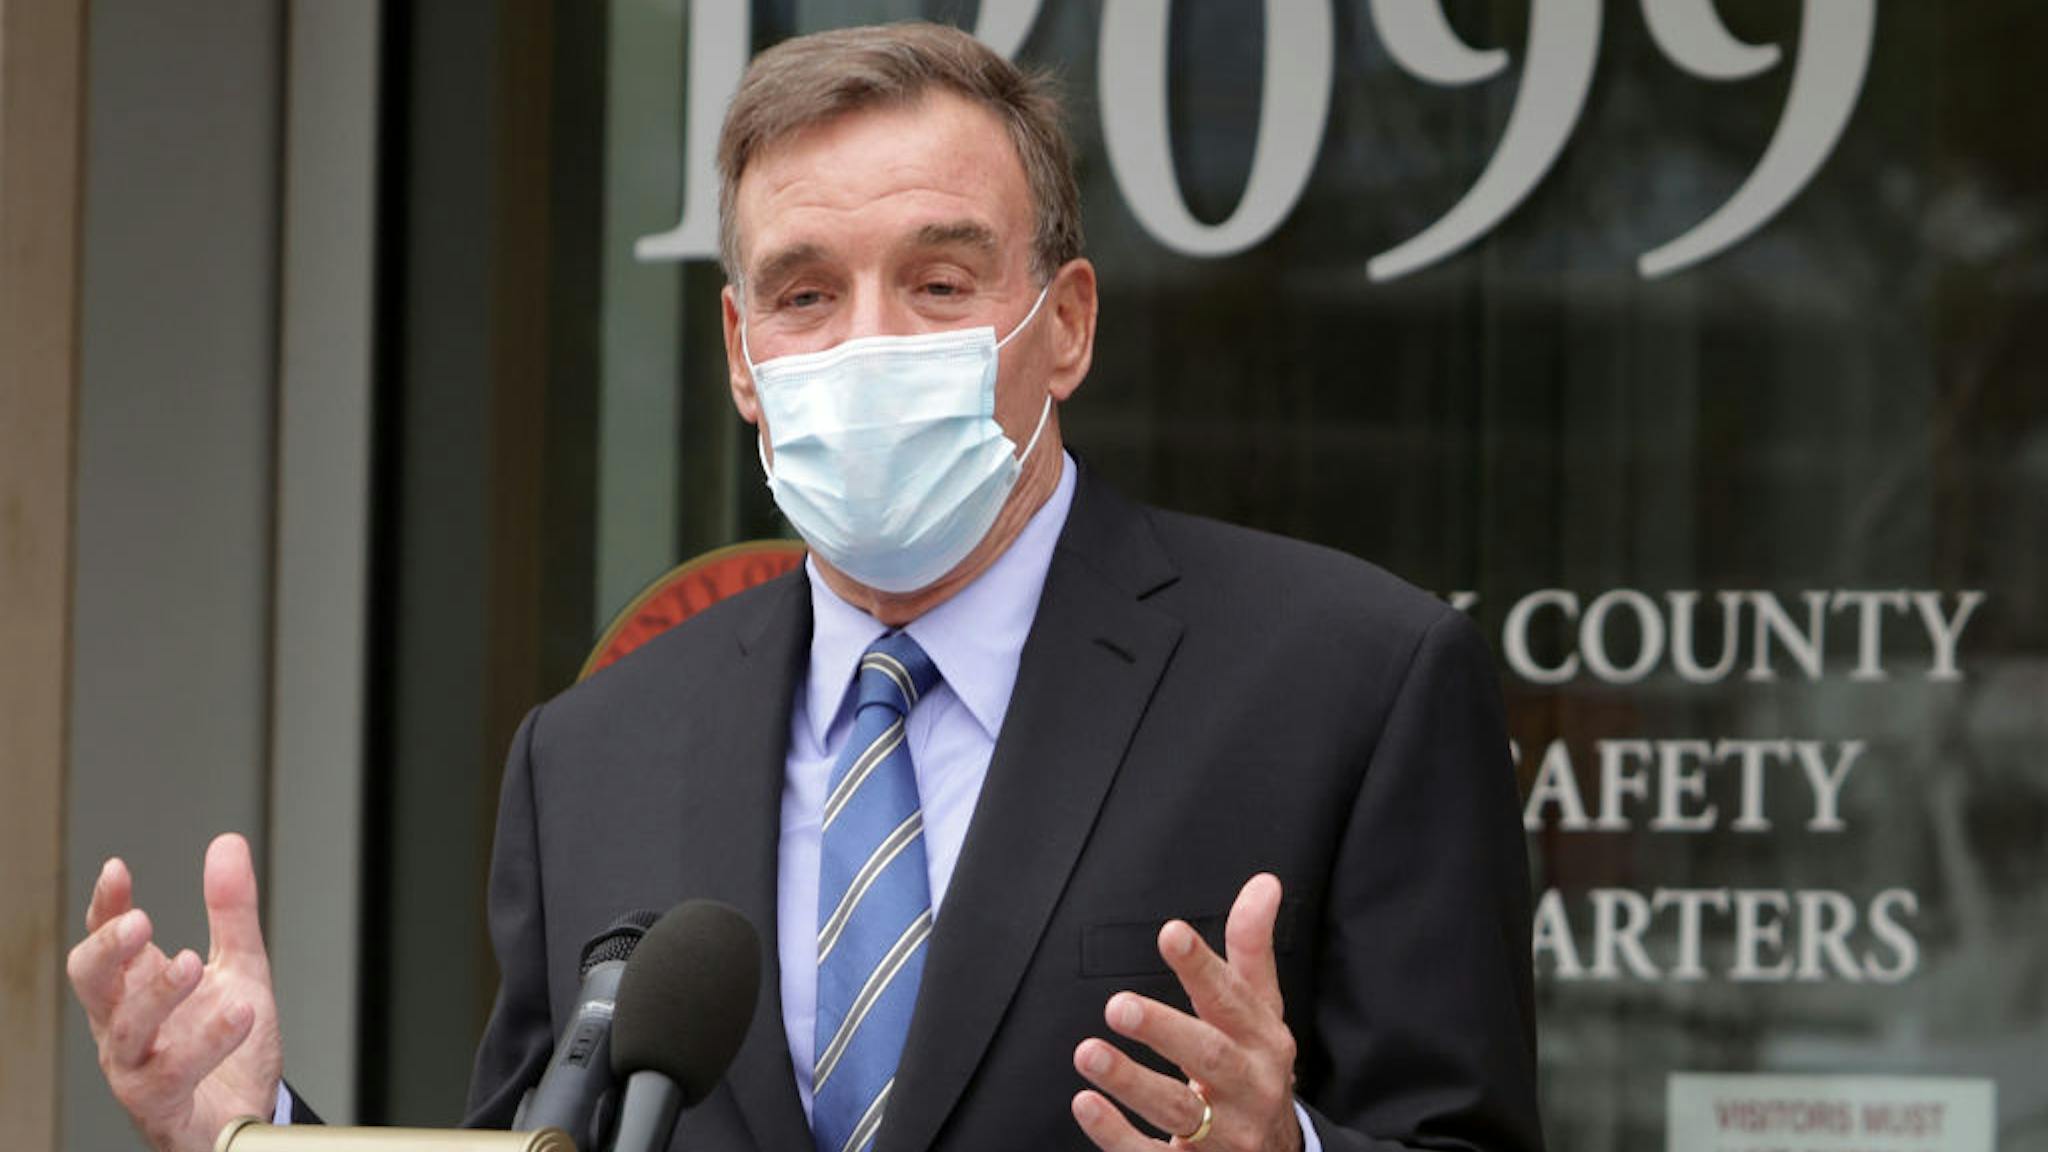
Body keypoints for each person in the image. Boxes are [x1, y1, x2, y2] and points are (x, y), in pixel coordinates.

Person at [68, 21, 1542, 1152]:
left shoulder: (1350, 681)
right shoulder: (590, 757)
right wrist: (258, 1129)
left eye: (941, 282)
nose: (866, 343)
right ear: (736, 356)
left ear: (1067, 323)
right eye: (805, 294)